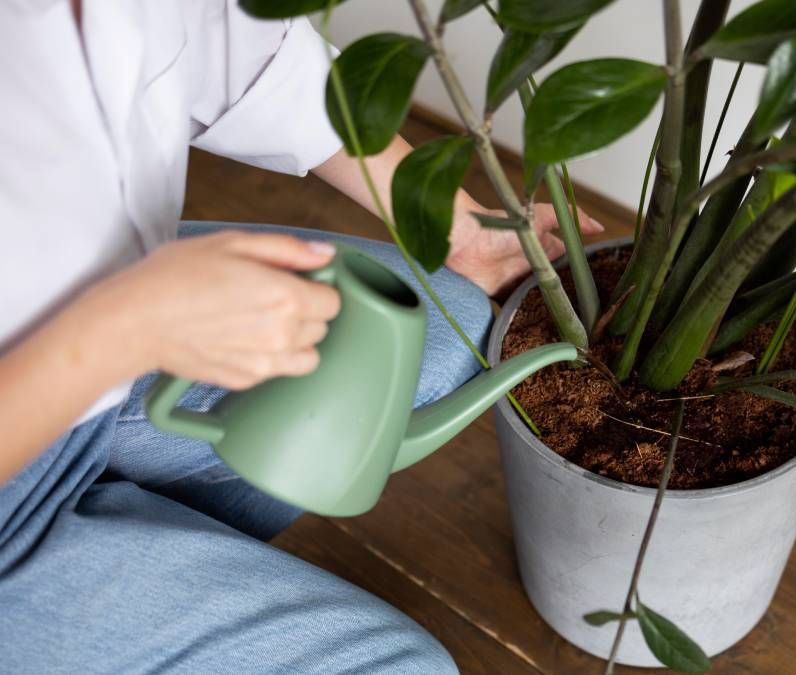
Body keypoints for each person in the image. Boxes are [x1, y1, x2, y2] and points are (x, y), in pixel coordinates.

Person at [0, 1, 600, 671]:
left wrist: (459, 225)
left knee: (438, 325)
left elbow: (242, 56)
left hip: (100, 343)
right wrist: (132, 325)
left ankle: (130, 550)